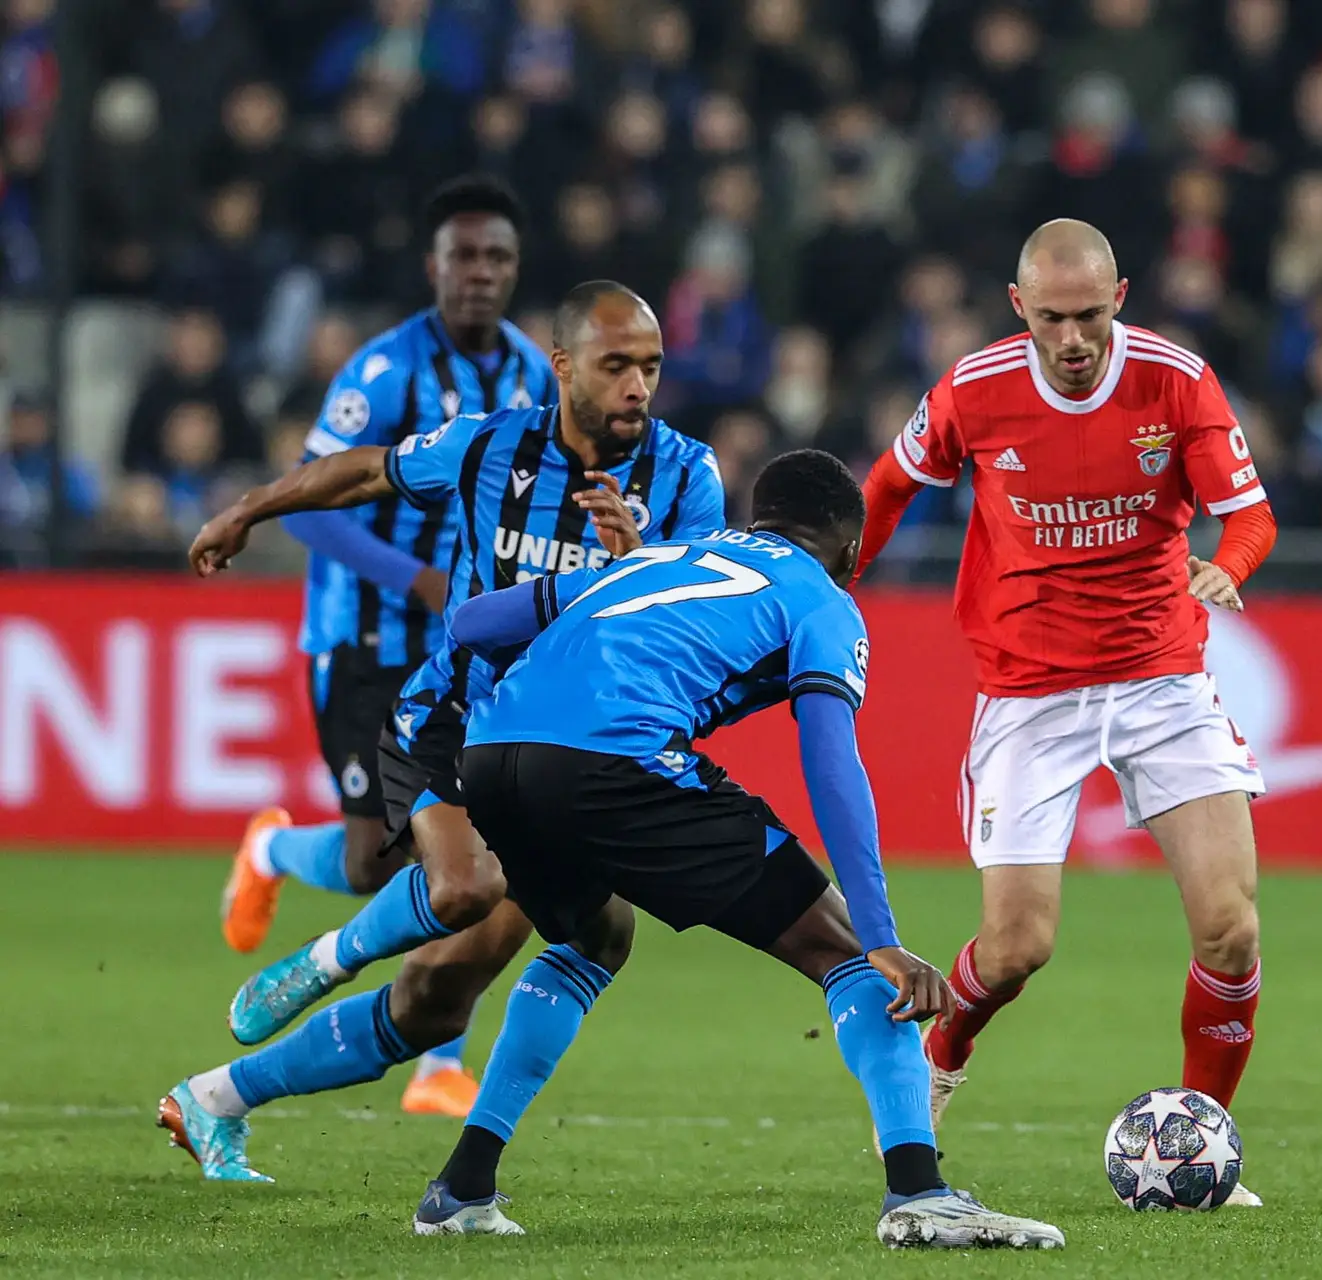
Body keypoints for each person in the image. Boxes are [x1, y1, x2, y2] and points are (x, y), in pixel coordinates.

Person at [408, 450, 1062, 1249]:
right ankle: (920, 1194)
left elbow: (473, 622)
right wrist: (883, 935)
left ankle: (462, 1189)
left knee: (595, 938)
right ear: (852, 550)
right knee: (849, 953)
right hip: (614, 759)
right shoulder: (821, 600)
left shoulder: (662, 556)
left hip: (494, 757)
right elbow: (831, 761)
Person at [158, 282, 724, 1181]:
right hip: (455, 720)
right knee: (464, 887)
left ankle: (215, 1099)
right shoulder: (493, 445)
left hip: (568, 755)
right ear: (566, 365)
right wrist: (252, 507)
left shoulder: (689, 477)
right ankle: (325, 961)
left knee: (439, 1002)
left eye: (650, 367)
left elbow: (697, 628)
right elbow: (366, 468)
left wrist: (639, 564)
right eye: (617, 365)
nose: (638, 387)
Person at [857, 219, 1277, 1207]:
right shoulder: (973, 389)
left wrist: (1231, 564)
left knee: (1230, 927)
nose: (1075, 337)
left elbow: (1250, 510)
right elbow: (885, 487)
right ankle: (948, 1039)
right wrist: (830, 586)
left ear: (1120, 295)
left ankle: (1200, 1138)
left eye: (1091, 314)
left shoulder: (1176, 381)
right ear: (1019, 308)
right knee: (1017, 948)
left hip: (1160, 679)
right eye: (1053, 317)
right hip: (1029, 689)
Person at [218, 173, 553, 1118]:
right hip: (366, 643)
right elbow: (314, 509)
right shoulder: (383, 372)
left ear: (515, 269)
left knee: (465, 853)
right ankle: (279, 852)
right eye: (463, 257)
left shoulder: (534, 372)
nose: (479, 274)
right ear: (433, 267)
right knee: (380, 862)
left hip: (471, 653)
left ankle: (437, 1065)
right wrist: (416, 577)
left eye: (496, 258)